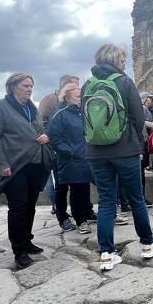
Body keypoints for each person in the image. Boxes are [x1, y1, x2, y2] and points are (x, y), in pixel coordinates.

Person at [83, 44, 153, 270]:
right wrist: (132, 140)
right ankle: (147, 245)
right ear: (114, 60)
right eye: (122, 59)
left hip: (96, 152)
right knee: (136, 198)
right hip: (124, 150)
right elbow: (138, 118)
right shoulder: (124, 82)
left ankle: (107, 254)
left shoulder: (87, 85)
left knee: (107, 201)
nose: (123, 63)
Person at [0, 73, 53, 269]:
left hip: (34, 164)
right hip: (14, 166)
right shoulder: (0, 107)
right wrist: (1, 164)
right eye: (25, 85)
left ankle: (27, 240)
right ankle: (19, 250)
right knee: (18, 207)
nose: (30, 89)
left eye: (31, 85)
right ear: (12, 86)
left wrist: (44, 137)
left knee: (30, 205)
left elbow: (39, 131)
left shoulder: (32, 108)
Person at [47, 82, 93, 234]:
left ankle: (86, 214)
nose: (81, 98)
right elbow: (54, 138)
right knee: (76, 189)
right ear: (67, 98)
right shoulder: (59, 115)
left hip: (84, 157)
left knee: (84, 187)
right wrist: (71, 151)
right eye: (78, 96)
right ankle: (80, 220)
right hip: (70, 159)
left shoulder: (81, 112)